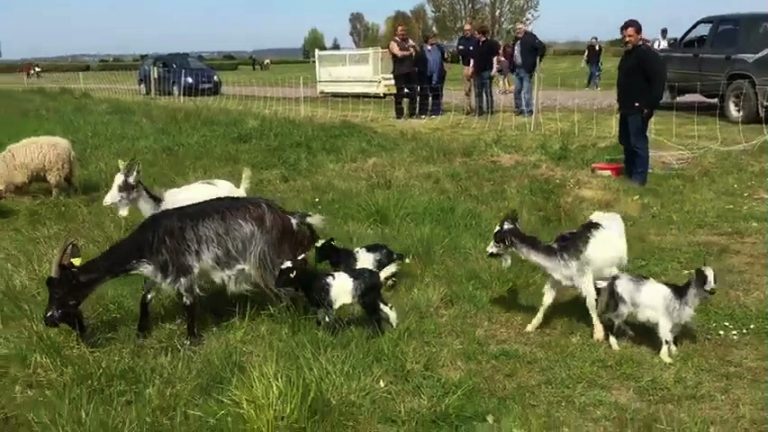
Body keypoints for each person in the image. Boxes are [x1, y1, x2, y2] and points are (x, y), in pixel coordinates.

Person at [616, 19, 667, 186]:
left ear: (639, 35)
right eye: (624, 36)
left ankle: (639, 179)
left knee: (638, 143)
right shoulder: (628, 55)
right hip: (626, 107)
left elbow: (658, 79)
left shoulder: (646, 54)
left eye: (630, 36)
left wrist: (649, 104)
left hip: (639, 107)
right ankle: (630, 173)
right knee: (626, 141)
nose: (627, 39)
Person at [511, 23, 546, 117]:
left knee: (526, 91)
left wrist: (536, 61)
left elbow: (542, 48)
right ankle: (519, 108)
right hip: (517, 68)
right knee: (517, 90)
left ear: (524, 29)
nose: (518, 30)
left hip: (526, 69)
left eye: (520, 28)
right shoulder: (515, 40)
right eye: (517, 29)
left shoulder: (531, 38)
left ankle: (528, 110)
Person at [469, 24, 500, 116]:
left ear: (481, 34)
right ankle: (479, 110)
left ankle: (490, 110)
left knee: (487, 91)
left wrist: (494, 69)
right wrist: (471, 67)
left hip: (487, 71)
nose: (475, 35)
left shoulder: (491, 44)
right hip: (477, 71)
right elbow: (472, 57)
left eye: (477, 33)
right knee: (477, 92)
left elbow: (494, 57)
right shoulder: (475, 44)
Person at [388, 24, 418, 120]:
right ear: (396, 32)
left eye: (404, 31)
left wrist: (414, 46)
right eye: (401, 31)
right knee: (399, 94)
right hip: (399, 72)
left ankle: (412, 113)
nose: (403, 33)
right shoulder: (393, 42)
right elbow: (398, 54)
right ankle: (399, 115)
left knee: (414, 92)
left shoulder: (409, 40)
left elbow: (416, 50)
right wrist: (409, 52)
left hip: (410, 71)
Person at [416, 32, 447, 118]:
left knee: (437, 93)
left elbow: (445, 57)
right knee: (424, 93)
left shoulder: (439, 48)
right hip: (425, 74)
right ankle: (423, 112)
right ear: (427, 39)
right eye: (432, 38)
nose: (434, 39)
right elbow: (417, 61)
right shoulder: (421, 49)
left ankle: (435, 111)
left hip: (437, 74)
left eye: (434, 37)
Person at [455, 23, 478, 115]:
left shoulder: (475, 40)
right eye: (465, 30)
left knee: (476, 88)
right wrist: (467, 50)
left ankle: (477, 108)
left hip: (475, 67)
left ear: (471, 30)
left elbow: (475, 52)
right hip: (465, 66)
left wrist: (466, 50)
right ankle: (467, 108)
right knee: (466, 89)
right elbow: (460, 51)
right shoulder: (461, 39)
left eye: (468, 30)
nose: (467, 32)